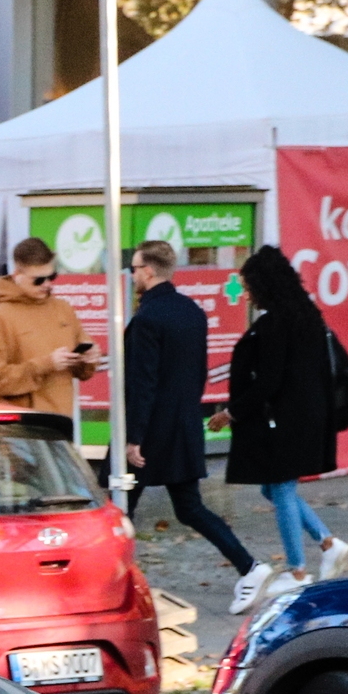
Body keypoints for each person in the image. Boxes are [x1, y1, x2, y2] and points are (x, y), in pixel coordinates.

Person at [119, 240, 265, 610]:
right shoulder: (192, 312)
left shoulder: (148, 319)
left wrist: (133, 437)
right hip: (182, 427)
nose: (132, 274)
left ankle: (111, 587)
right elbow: (195, 373)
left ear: (148, 271)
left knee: (115, 507)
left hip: (148, 432)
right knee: (188, 507)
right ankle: (250, 567)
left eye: (134, 268)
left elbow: (143, 383)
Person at [213, 245, 348, 601]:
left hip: (287, 421)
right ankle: (328, 543)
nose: (244, 294)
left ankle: (297, 570)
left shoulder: (276, 323)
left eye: (248, 286)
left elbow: (269, 382)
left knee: (282, 488)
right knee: (273, 489)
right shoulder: (306, 313)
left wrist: (231, 412)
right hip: (308, 416)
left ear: (264, 284)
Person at [0, 237, 95, 415]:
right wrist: (45, 364)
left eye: (51, 277)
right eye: (38, 280)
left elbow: (83, 372)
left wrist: (87, 359)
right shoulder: (0, 317)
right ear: (18, 275)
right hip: (21, 427)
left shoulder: (63, 309)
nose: (47, 284)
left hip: (60, 422)